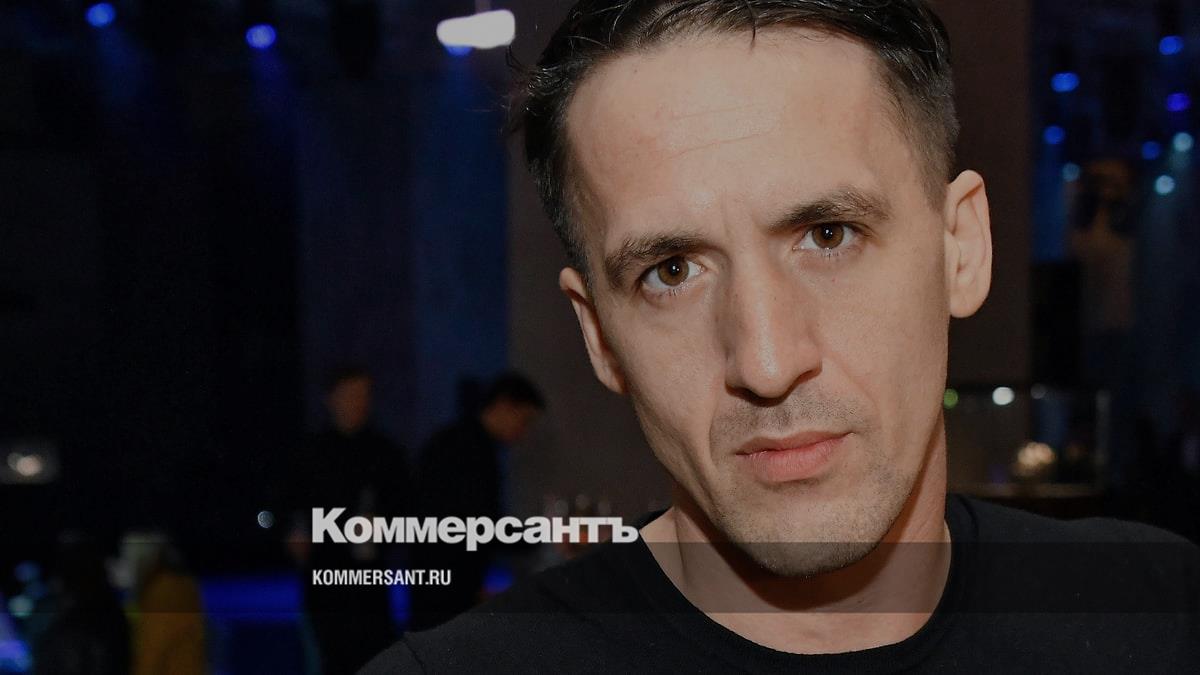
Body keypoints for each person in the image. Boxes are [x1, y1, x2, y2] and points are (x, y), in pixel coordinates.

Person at [364, 1, 1200, 672]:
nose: (766, 361)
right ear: (599, 336)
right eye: (671, 270)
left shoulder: (1160, 612)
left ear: (962, 247)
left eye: (829, 235)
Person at [288, 365, 409, 674]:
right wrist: (294, 534)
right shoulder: (311, 454)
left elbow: (404, 507)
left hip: (368, 579)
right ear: (331, 399)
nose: (358, 403)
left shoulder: (384, 453)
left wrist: (383, 528)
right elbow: (289, 507)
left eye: (363, 395)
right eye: (350, 395)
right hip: (325, 578)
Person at [406, 372, 545, 631]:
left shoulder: (456, 442)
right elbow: (481, 525)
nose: (523, 431)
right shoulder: (473, 452)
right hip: (446, 590)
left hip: (437, 583)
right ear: (504, 405)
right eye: (524, 419)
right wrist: (542, 534)